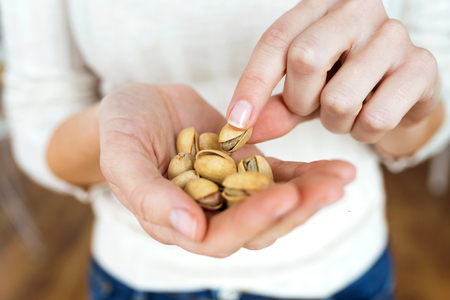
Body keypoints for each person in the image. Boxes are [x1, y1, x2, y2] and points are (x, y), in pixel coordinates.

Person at [2, 0, 450, 299]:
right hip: (138, 278)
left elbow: (429, 116)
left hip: (345, 269)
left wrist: (405, 108)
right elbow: (40, 116)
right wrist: (116, 132)